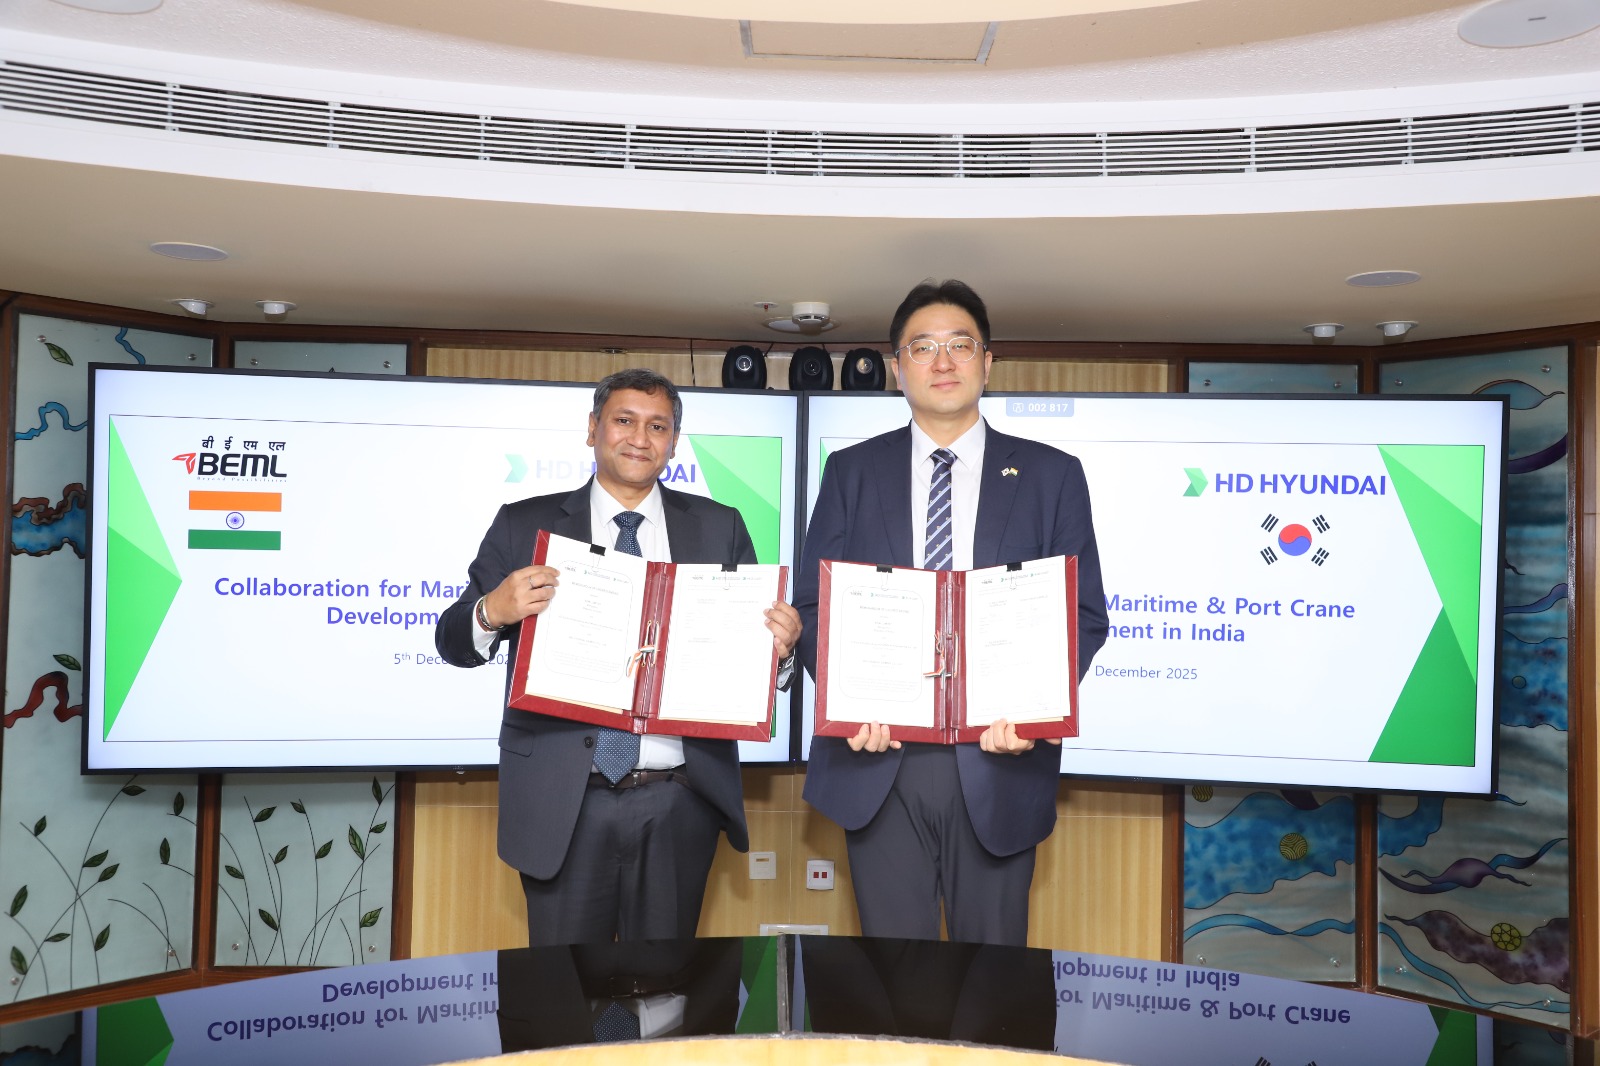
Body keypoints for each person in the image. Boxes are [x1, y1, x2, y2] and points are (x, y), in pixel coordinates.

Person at [435, 368, 801, 946]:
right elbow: (451, 641)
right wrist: (493, 610)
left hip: (681, 798)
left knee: (667, 985)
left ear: (674, 443)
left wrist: (779, 652)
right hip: (563, 798)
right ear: (592, 429)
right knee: (562, 987)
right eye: (624, 421)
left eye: (658, 426)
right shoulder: (524, 523)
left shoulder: (719, 526)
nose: (639, 438)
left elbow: (754, 659)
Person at [795, 279, 1108, 947]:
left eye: (960, 345)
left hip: (999, 759)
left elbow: (1083, 614)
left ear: (987, 362)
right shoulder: (852, 471)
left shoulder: (1052, 475)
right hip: (878, 759)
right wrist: (852, 702)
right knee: (893, 976)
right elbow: (815, 605)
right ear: (897, 367)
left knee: (993, 979)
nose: (942, 362)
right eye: (923, 347)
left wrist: (1033, 710)